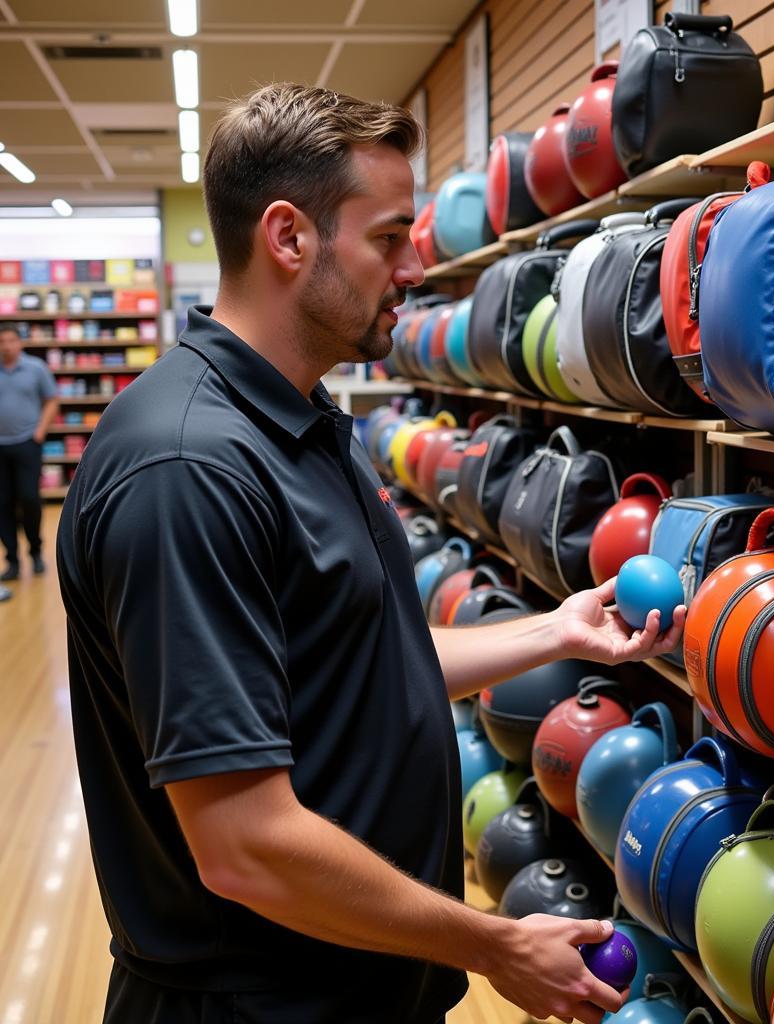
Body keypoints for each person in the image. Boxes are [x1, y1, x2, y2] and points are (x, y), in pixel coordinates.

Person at [56, 83, 686, 1024]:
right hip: (255, 1006)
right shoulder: (187, 469)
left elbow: (358, 667)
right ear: (289, 237)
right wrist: (495, 943)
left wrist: (557, 630)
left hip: (357, 982)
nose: (411, 269)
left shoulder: (305, 427)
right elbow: (243, 842)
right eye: (388, 239)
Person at [0, 323, 58, 581]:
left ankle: (35, 551)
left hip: (27, 443)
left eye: (11, 340)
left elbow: (52, 400)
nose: (6, 346)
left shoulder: (36, 368)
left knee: (29, 499)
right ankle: (11, 558)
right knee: (2, 504)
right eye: (2, 342)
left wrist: (39, 432)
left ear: (19, 342)